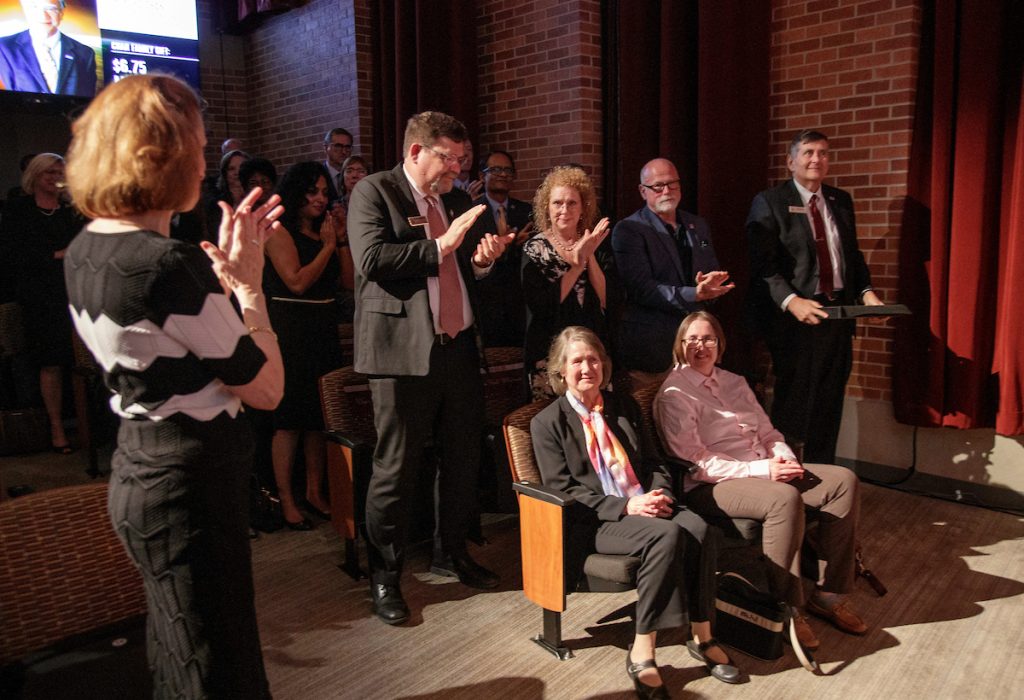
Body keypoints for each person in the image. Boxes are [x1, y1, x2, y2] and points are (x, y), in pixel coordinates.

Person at [62, 74, 284, 698]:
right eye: (200, 145)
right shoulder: (165, 265)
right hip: (188, 488)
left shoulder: (84, 248)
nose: (207, 158)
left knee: (175, 652)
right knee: (216, 670)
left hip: (138, 468)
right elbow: (266, 388)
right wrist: (247, 288)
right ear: (165, 153)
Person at [347, 110, 513, 625]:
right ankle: (386, 575)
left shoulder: (459, 201)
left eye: (463, 161)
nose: (458, 170)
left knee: (462, 458)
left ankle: (452, 551)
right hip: (401, 353)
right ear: (417, 151)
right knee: (396, 467)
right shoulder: (376, 192)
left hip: (458, 347)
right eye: (451, 158)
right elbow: (372, 259)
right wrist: (442, 245)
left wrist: (483, 260)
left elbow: (467, 270)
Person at [531, 326, 740, 697]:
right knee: (670, 534)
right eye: (577, 361)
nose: (587, 368)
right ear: (560, 370)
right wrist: (628, 505)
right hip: (596, 519)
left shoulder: (622, 406)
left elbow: (654, 461)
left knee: (699, 527)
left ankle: (702, 633)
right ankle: (643, 649)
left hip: (644, 503)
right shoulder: (547, 423)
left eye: (593, 359)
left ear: (604, 365)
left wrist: (658, 492)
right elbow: (564, 490)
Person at [653, 311, 867, 651]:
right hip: (713, 485)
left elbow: (767, 431)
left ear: (719, 344)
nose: (699, 346)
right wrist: (765, 471)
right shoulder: (676, 393)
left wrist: (782, 456)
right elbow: (697, 463)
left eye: (707, 338)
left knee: (842, 481)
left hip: (761, 467)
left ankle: (828, 594)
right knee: (784, 499)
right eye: (690, 339)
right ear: (679, 346)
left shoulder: (733, 382)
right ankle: (787, 609)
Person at [746, 129, 884, 464]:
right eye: (808, 152)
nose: (816, 159)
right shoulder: (769, 202)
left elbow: (851, 256)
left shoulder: (841, 200)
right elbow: (762, 265)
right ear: (791, 161)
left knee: (829, 401)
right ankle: (788, 478)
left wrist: (867, 294)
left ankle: (825, 476)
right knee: (794, 404)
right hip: (795, 319)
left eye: (823, 152)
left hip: (838, 317)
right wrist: (792, 302)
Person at [263, 161, 346, 529]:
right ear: (296, 193)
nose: (320, 198)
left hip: (323, 326)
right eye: (313, 191)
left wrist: (339, 240)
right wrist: (328, 246)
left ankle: (315, 492)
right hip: (292, 328)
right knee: (290, 421)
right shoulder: (278, 231)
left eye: (325, 192)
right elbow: (296, 282)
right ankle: (286, 498)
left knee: (317, 419)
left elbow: (347, 281)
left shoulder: (324, 233)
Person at [612, 158, 733, 387]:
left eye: (672, 184)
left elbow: (709, 265)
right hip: (655, 346)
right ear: (642, 191)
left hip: (697, 347)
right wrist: (694, 294)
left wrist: (712, 284)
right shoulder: (629, 230)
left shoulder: (698, 226)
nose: (666, 191)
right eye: (658, 186)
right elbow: (641, 288)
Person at [0, 153, 85, 452]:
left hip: (73, 292)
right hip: (40, 296)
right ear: (35, 175)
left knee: (82, 362)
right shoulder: (18, 210)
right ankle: (56, 428)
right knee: (50, 363)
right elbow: (14, 256)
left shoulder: (70, 212)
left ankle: (88, 427)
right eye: (48, 172)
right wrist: (57, 255)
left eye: (59, 172)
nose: (54, 178)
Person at [522, 165, 611, 400]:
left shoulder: (595, 244)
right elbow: (543, 305)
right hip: (550, 351)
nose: (564, 210)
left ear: (583, 209)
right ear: (547, 208)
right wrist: (577, 263)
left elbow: (605, 299)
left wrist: (589, 253)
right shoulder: (534, 248)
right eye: (557, 203)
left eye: (572, 203)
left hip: (591, 352)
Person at [467, 149, 533, 348]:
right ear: (482, 176)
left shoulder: (527, 212)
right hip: (486, 302)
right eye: (495, 169)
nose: (503, 175)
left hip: (519, 302)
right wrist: (510, 243)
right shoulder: (471, 211)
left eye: (508, 170)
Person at [0, 0, 96, 97]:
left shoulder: (85, 53)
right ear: (26, 11)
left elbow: (87, 101)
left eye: (50, 9)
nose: (43, 16)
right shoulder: (5, 47)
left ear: (61, 13)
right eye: (35, 8)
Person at [322, 127, 353, 200]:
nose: (344, 152)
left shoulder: (356, 176)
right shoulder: (318, 175)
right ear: (326, 148)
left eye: (347, 147)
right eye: (338, 146)